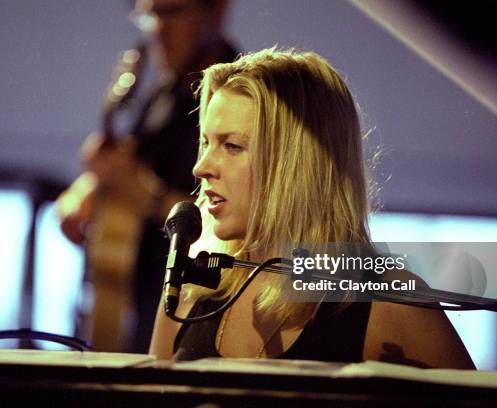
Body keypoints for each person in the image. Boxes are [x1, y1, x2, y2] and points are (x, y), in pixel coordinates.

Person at [150, 48, 475, 368]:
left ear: (298, 165)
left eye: (232, 146)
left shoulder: (388, 302)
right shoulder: (188, 291)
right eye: (206, 143)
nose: (201, 167)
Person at [57, 0, 237, 353]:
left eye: (172, 12)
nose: (157, 28)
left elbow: (246, 220)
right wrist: (85, 188)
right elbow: (130, 160)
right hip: (138, 301)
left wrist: (146, 195)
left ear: (215, 12)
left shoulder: (239, 94)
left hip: (195, 309)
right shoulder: (163, 91)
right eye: (149, 14)